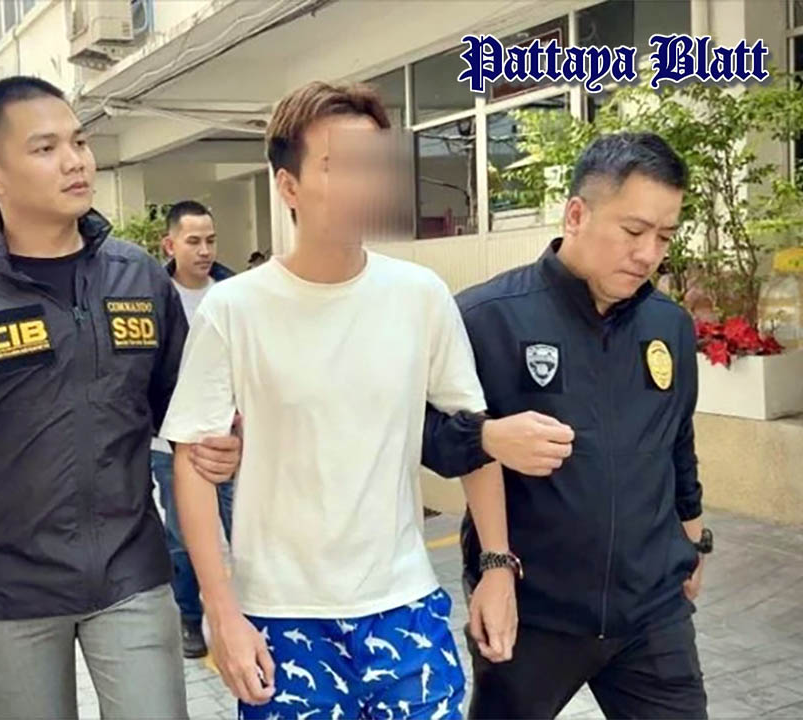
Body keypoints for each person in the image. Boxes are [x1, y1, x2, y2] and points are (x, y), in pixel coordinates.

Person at [161, 81, 573, 720]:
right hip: (281, 614)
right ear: (289, 186)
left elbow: (471, 432)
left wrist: (497, 567)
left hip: (403, 603)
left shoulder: (420, 295)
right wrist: (222, 611)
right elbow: (192, 461)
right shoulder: (233, 308)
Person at [0, 75, 241, 720]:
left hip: (130, 572)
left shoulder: (136, 277)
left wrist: (218, 441)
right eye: (45, 148)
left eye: (79, 142)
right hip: (7, 593)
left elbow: (183, 408)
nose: (75, 161)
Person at [427, 132, 710, 719]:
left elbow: (677, 440)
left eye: (665, 237)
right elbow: (422, 435)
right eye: (634, 231)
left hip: (651, 615)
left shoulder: (669, 326)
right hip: (532, 612)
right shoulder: (486, 318)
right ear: (577, 215)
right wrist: (487, 438)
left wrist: (693, 539)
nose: (649, 254)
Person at [151, 199, 236, 658]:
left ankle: (247, 612)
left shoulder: (235, 292)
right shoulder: (150, 296)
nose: (204, 250)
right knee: (183, 536)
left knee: (243, 528)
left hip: (231, 440)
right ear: (170, 245)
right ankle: (188, 615)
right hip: (170, 444)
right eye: (193, 241)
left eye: (211, 240)